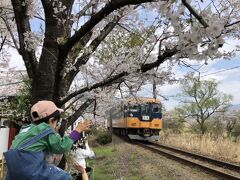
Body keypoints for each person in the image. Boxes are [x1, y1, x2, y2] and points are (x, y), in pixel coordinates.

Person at [4, 100, 91, 180]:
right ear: (52, 120)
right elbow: (61, 146)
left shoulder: (25, 129)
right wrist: (77, 131)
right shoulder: (46, 129)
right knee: (65, 177)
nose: (56, 125)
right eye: (57, 122)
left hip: (11, 169)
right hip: (29, 168)